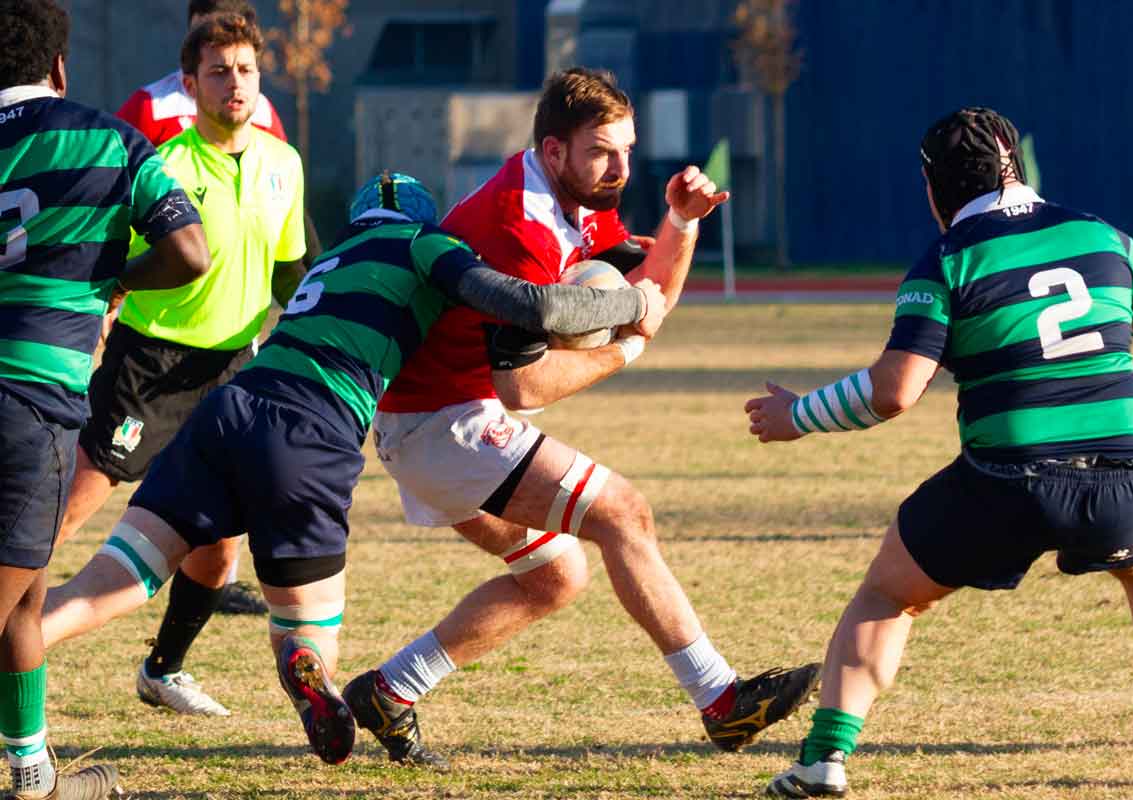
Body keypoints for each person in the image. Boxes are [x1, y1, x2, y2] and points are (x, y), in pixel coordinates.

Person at [40, 172, 668, 767]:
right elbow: (534, 306)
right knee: (307, 630)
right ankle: (307, 664)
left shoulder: (333, 259)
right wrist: (635, 304)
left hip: (227, 410)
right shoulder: (424, 243)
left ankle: (25, 641)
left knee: (113, 576)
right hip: (310, 432)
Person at [343, 67, 820, 769]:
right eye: (603, 150)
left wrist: (681, 221)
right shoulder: (518, 226)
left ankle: (391, 691)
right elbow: (526, 387)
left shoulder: (573, 196)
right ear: (554, 149)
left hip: (436, 421)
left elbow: (650, 292)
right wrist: (624, 350)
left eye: (627, 148)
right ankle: (722, 703)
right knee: (624, 513)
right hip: (445, 422)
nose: (620, 167)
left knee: (554, 578)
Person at [746, 107, 1133, 798]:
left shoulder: (951, 257)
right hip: (1122, 475)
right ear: (1017, 166)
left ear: (935, 190)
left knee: (888, 596)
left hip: (1008, 477)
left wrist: (797, 416)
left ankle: (824, 759)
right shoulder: (1101, 235)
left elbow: (896, 391)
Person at [44, 12, 307, 717]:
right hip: (151, 366)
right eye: (219, 71)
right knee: (63, 510)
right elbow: (110, 259)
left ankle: (162, 670)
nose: (235, 83)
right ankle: (14, 631)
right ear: (189, 85)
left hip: (234, 370)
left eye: (246, 69)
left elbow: (290, 275)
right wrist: (102, 305)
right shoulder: (165, 164)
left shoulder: (286, 165)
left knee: (219, 544)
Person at [0, 1, 210, 797]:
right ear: (59, 68)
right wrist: (114, 276)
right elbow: (190, 252)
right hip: (29, 405)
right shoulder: (111, 140)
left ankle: (31, 775)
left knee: (27, 592)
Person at [115, 0, 286, 147]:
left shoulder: (262, 113)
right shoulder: (151, 106)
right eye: (195, 35)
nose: (199, 44)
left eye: (214, 38)